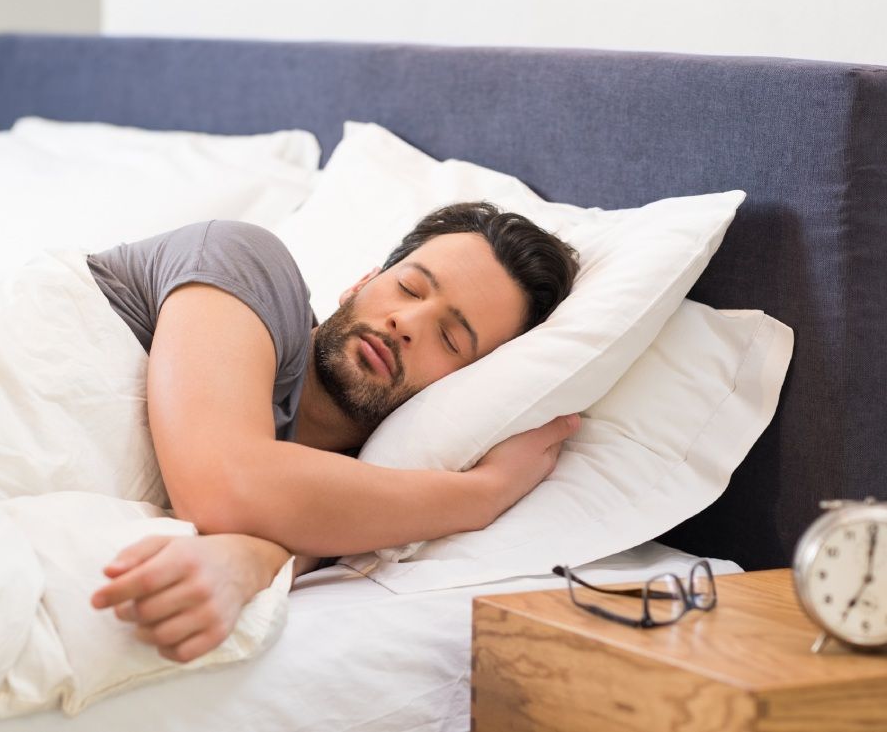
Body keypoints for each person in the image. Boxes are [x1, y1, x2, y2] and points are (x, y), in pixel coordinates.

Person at [89, 201, 580, 663]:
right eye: (409, 288)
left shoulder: (363, 499)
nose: (405, 322)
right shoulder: (247, 263)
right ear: (364, 281)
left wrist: (252, 557)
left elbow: (288, 514)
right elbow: (226, 486)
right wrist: (486, 492)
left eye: (450, 339)